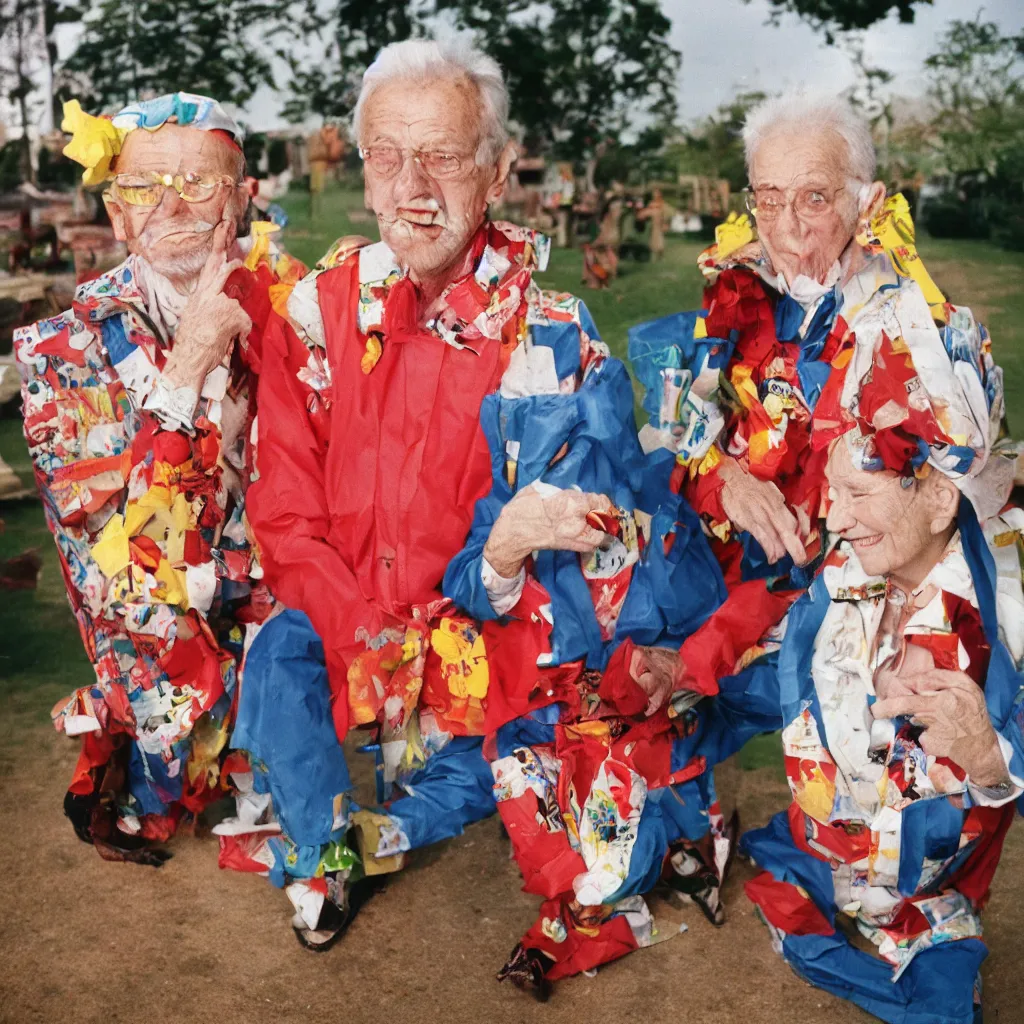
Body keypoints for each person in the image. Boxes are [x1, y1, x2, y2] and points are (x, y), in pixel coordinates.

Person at [696, 290, 1021, 1024]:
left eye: (856, 494)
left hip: (929, 900)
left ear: (941, 500)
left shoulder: (1008, 614)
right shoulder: (839, 578)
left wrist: (992, 759)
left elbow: (1009, 757)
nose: (833, 518)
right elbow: (773, 683)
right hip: (816, 860)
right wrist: (681, 684)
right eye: (831, 491)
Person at [628, 91, 1017, 695]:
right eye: (768, 199)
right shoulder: (741, 294)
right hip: (738, 606)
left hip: (879, 647)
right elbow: (679, 431)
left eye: (814, 197)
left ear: (869, 202)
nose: (787, 229)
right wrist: (726, 477)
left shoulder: (924, 342)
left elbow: (929, 515)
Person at [13, 94, 302, 864]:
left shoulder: (301, 311)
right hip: (161, 636)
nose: (170, 204)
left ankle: (269, 758)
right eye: (143, 188)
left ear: (242, 201)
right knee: (165, 743)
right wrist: (191, 361)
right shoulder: (56, 353)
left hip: (277, 611)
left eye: (197, 183)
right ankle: (152, 765)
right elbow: (123, 560)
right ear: (117, 215)